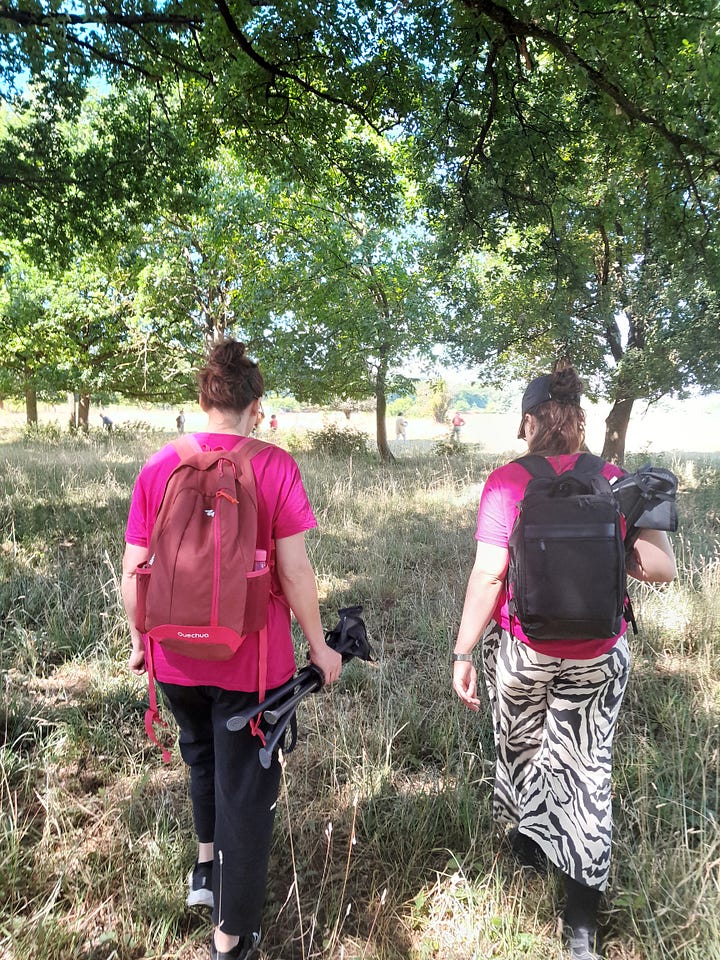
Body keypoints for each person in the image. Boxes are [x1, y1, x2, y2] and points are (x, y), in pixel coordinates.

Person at [121, 340, 343, 960]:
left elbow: (135, 566)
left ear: (202, 400)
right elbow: (296, 573)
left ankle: (203, 871)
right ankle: (231, 937)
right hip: (252, 665)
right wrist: (320, 647)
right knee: (246, 791)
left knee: (201, 760)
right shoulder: (276, 466)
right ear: (257, 407)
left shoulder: (158, 466)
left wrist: (142, 639)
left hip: (174, 658)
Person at [451, 368, 676, 960]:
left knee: (520, 742)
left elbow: (489, 573)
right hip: (599, 656)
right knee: (587, 769)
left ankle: (528, 843)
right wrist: (611, 556)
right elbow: (660, 570)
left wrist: (463, 649)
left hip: (524, 649)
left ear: (529, 421)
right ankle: (580, 921)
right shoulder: (614, 478)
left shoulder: (506, 482)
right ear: (579, 418)